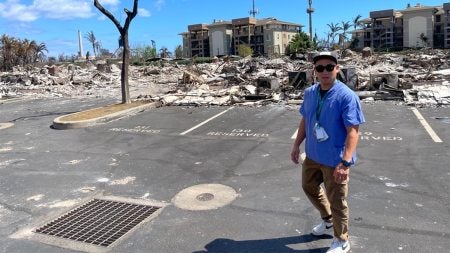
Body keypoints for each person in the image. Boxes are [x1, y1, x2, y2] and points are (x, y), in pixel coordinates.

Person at [291, 51, 365, 253]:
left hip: (335, 159)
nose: (325, 72)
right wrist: (296, 145)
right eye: (320, 68)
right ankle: (327, 219)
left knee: (337, 200)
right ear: (314, 71)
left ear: (337, 69)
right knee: (309, 186)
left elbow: (353, 132)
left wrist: (345, 162)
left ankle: (342, 240)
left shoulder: (346, 96)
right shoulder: (310, 93)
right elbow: (305, 119)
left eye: (329, 67)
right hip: (313, 155)